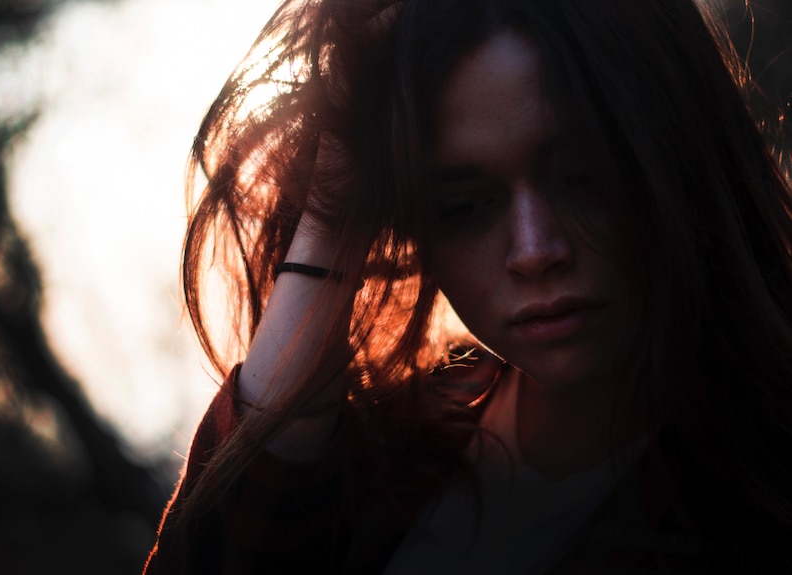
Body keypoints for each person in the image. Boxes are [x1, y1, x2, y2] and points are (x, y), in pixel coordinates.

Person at [144, 0, 792, 572]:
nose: (535, 251)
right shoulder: (396, 448)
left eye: (582, 176)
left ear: (673, 152)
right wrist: (328, 220)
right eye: (464, 206)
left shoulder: (760, 487)